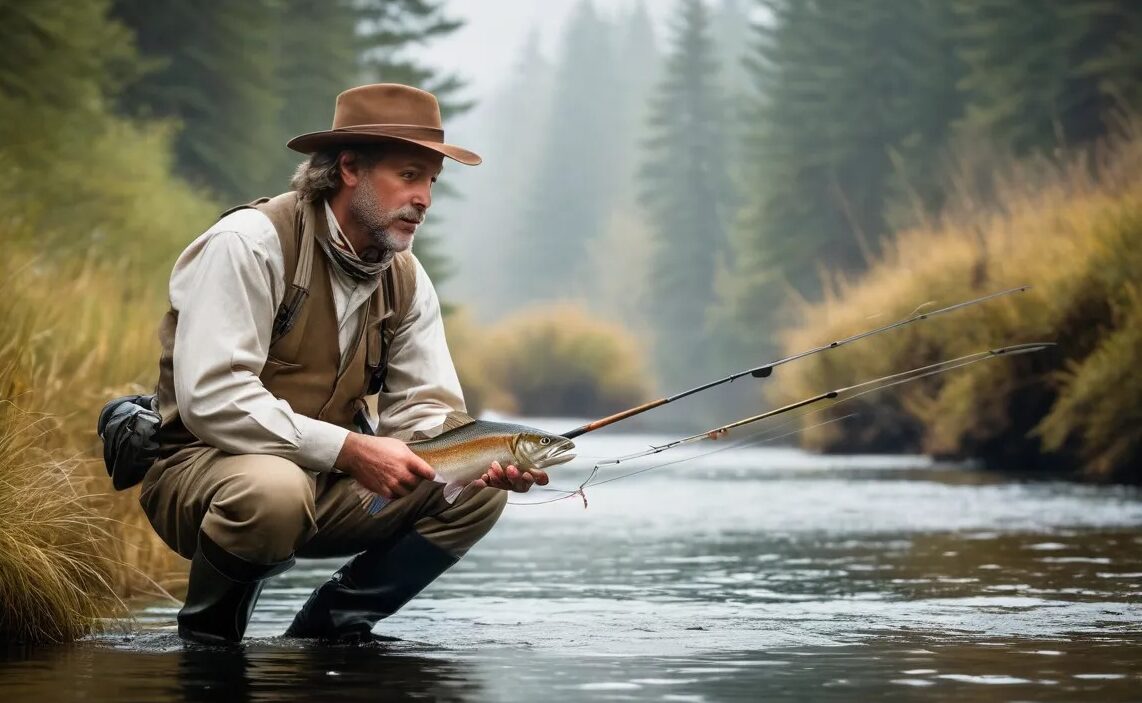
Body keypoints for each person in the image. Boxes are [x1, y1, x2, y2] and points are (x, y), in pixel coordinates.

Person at [139, 83, 549, 645]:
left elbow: (426, 409)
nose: (425, 198)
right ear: (349, 168)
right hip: (203, 475)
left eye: (432, 181)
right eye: (409, 175)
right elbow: (213, 398)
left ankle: (326, 637)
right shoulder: (249, 244)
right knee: (273, 491)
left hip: (326, 484)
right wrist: (353, 449)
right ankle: (209, 644)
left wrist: (474, 459)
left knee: (478, 490)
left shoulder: (406, 276)